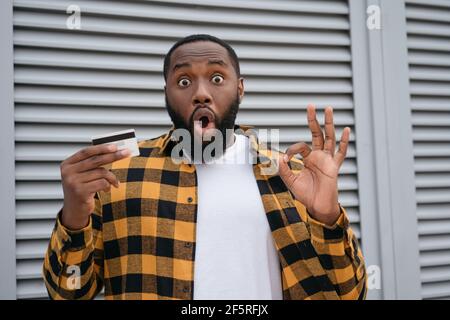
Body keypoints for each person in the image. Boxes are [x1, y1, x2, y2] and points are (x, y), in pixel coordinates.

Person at [43, 34, 367, 300]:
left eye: (216, 78)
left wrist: (327, 216)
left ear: (239, 88)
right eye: (183, 81)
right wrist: (74, 216)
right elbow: (68, 294)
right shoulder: (118, 173)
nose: (201, 94)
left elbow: (351, 294)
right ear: (166, 94)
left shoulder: (291, 175)